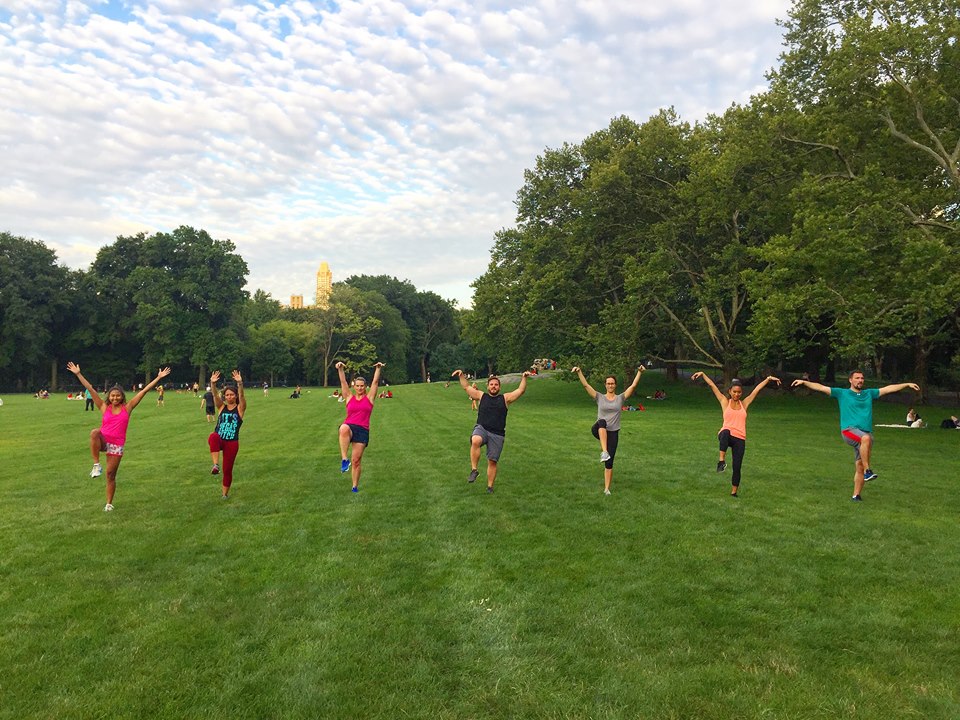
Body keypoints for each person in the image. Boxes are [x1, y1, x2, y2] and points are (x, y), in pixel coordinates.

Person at [791, 370, 920, 501]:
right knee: (865, 440)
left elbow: (887, 389)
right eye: (857, 378)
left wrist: (907, 384)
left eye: (862, 378)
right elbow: (821, 387)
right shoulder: (842, 393)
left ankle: (856, 495)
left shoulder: (869, 394)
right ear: (850, 380)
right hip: (849, 430)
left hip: (866, 434)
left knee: (860, 464)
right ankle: (868, 471)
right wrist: (804, 382)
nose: (860, 380)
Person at [66, 361, 171, 511]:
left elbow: (144, 391)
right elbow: (90, 388)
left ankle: (109, 503)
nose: (115, 398)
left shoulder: (127, 408)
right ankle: (96, 465)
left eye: (118, 396)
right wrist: (78, 374)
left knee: (110, 475)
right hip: (104, 439)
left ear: (122, 397)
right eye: (112, 396)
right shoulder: (104, 407)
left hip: (117, 444)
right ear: (109, 397)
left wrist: (158, 377)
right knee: (94, 432)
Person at [691, 373, 782, 497]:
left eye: (739, 392)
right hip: (725, 436)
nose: (736, 394)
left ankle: (734, 492)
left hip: (739, 439)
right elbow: (713, 386)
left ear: (741, 393)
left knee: (737, 466)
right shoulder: (724, 402)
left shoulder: (744, 404)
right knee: (725, 431)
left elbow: (756, 390)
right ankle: (721, 461)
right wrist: (702, 374)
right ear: (730, 391)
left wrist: (768, 379)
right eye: (734, 392)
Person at [453, 369, 530, 493]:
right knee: (475, 440)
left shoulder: (505, 398)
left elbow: (520, 391)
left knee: (492, 461)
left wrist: (524, 378)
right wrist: (461, 375)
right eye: (491, 384)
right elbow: (466, 387)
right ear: (488, 386)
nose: (493, 386)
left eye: (496, 385)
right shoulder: (481, 396)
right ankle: (474, 470)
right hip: (482, 428)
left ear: (499, 387)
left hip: (497, 434)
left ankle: (490, 487)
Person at [571, 366, 644, 495]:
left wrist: (639, 372)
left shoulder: (620, 398)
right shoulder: (599, 397)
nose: (610, 385)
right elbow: (586, 386)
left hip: (613, 433)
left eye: (612, 383)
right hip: (598, 429)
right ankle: (604, 451)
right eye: (608, 383)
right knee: (602, 422)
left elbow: (632, 386)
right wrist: (579, 372)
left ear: (615, 385)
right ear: (605, 385)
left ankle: (607, 489)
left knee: (609, 463)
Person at [337, 361, 385, 492]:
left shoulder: (369, 398)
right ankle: (344, 459)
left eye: (362, 386)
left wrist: (378, 369)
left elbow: (375, 383)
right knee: (343, 428)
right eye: (357, 386)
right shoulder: (349, 397)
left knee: (357, 460)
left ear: (365, 387)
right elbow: (343, 383)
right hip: (350, 426)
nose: (359, 388)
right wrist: (340, 369)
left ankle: (354, 486)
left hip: (363, 430)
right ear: (354, 386)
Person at [208, 370, 246, 499]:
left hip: (232, 442)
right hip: (220, 439)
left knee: (228, 470)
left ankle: (224, 494)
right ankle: (215, 464)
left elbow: (242, 397)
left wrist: (240, 383)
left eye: (232, 395)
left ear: (235, 396)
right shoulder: (221, 408)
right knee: (213, 436)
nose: (229, 397)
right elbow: (215, 396)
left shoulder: (240, 409)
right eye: (227, 395)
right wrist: (213, 384)